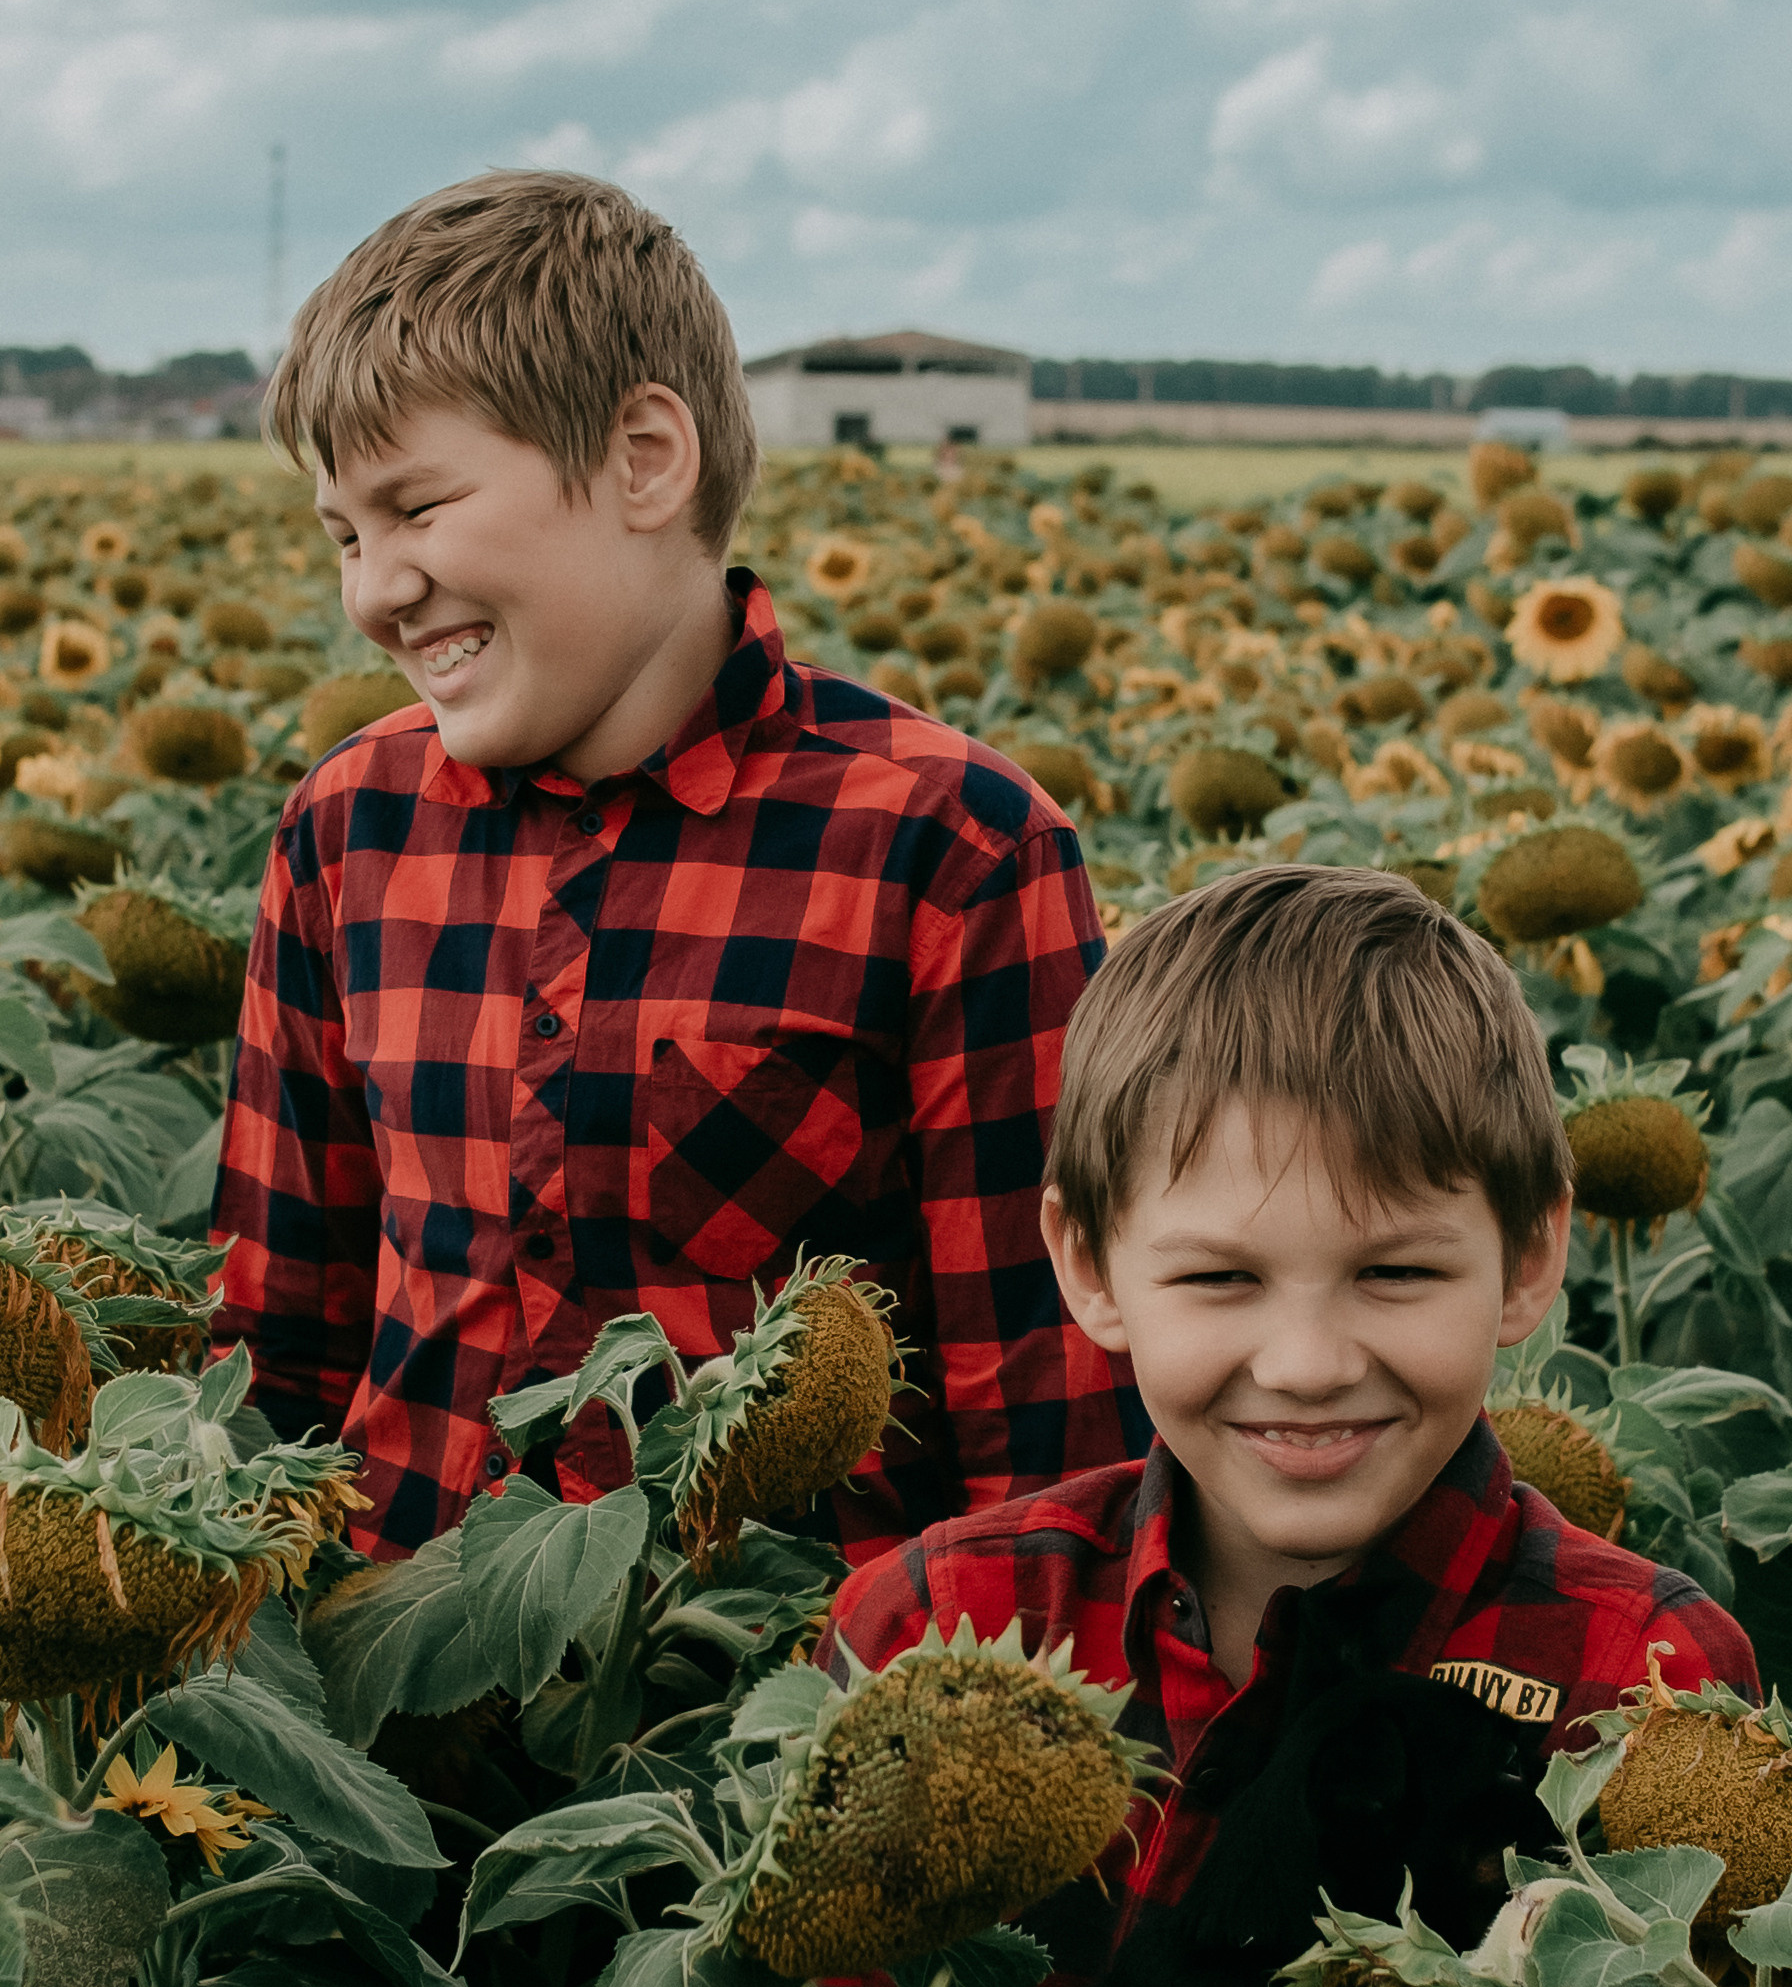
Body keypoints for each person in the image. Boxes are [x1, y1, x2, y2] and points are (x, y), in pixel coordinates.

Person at [818, 861, 1759, 1987]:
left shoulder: (1648, 1687)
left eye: (1395, 1274)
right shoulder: (938, 1628)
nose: (1310, 1363)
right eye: (1221, 1282)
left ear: (1531, 1257)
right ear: (1089, 1267)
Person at [212, 169, 1143, 1555]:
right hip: (384, 1684)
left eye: (416, 511)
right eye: (344, 536)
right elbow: (279, 1349)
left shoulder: (946, 850)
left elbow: (1049, 1424)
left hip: (773, 1710)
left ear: (647, 459)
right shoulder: (350, 832)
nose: (374, 589)